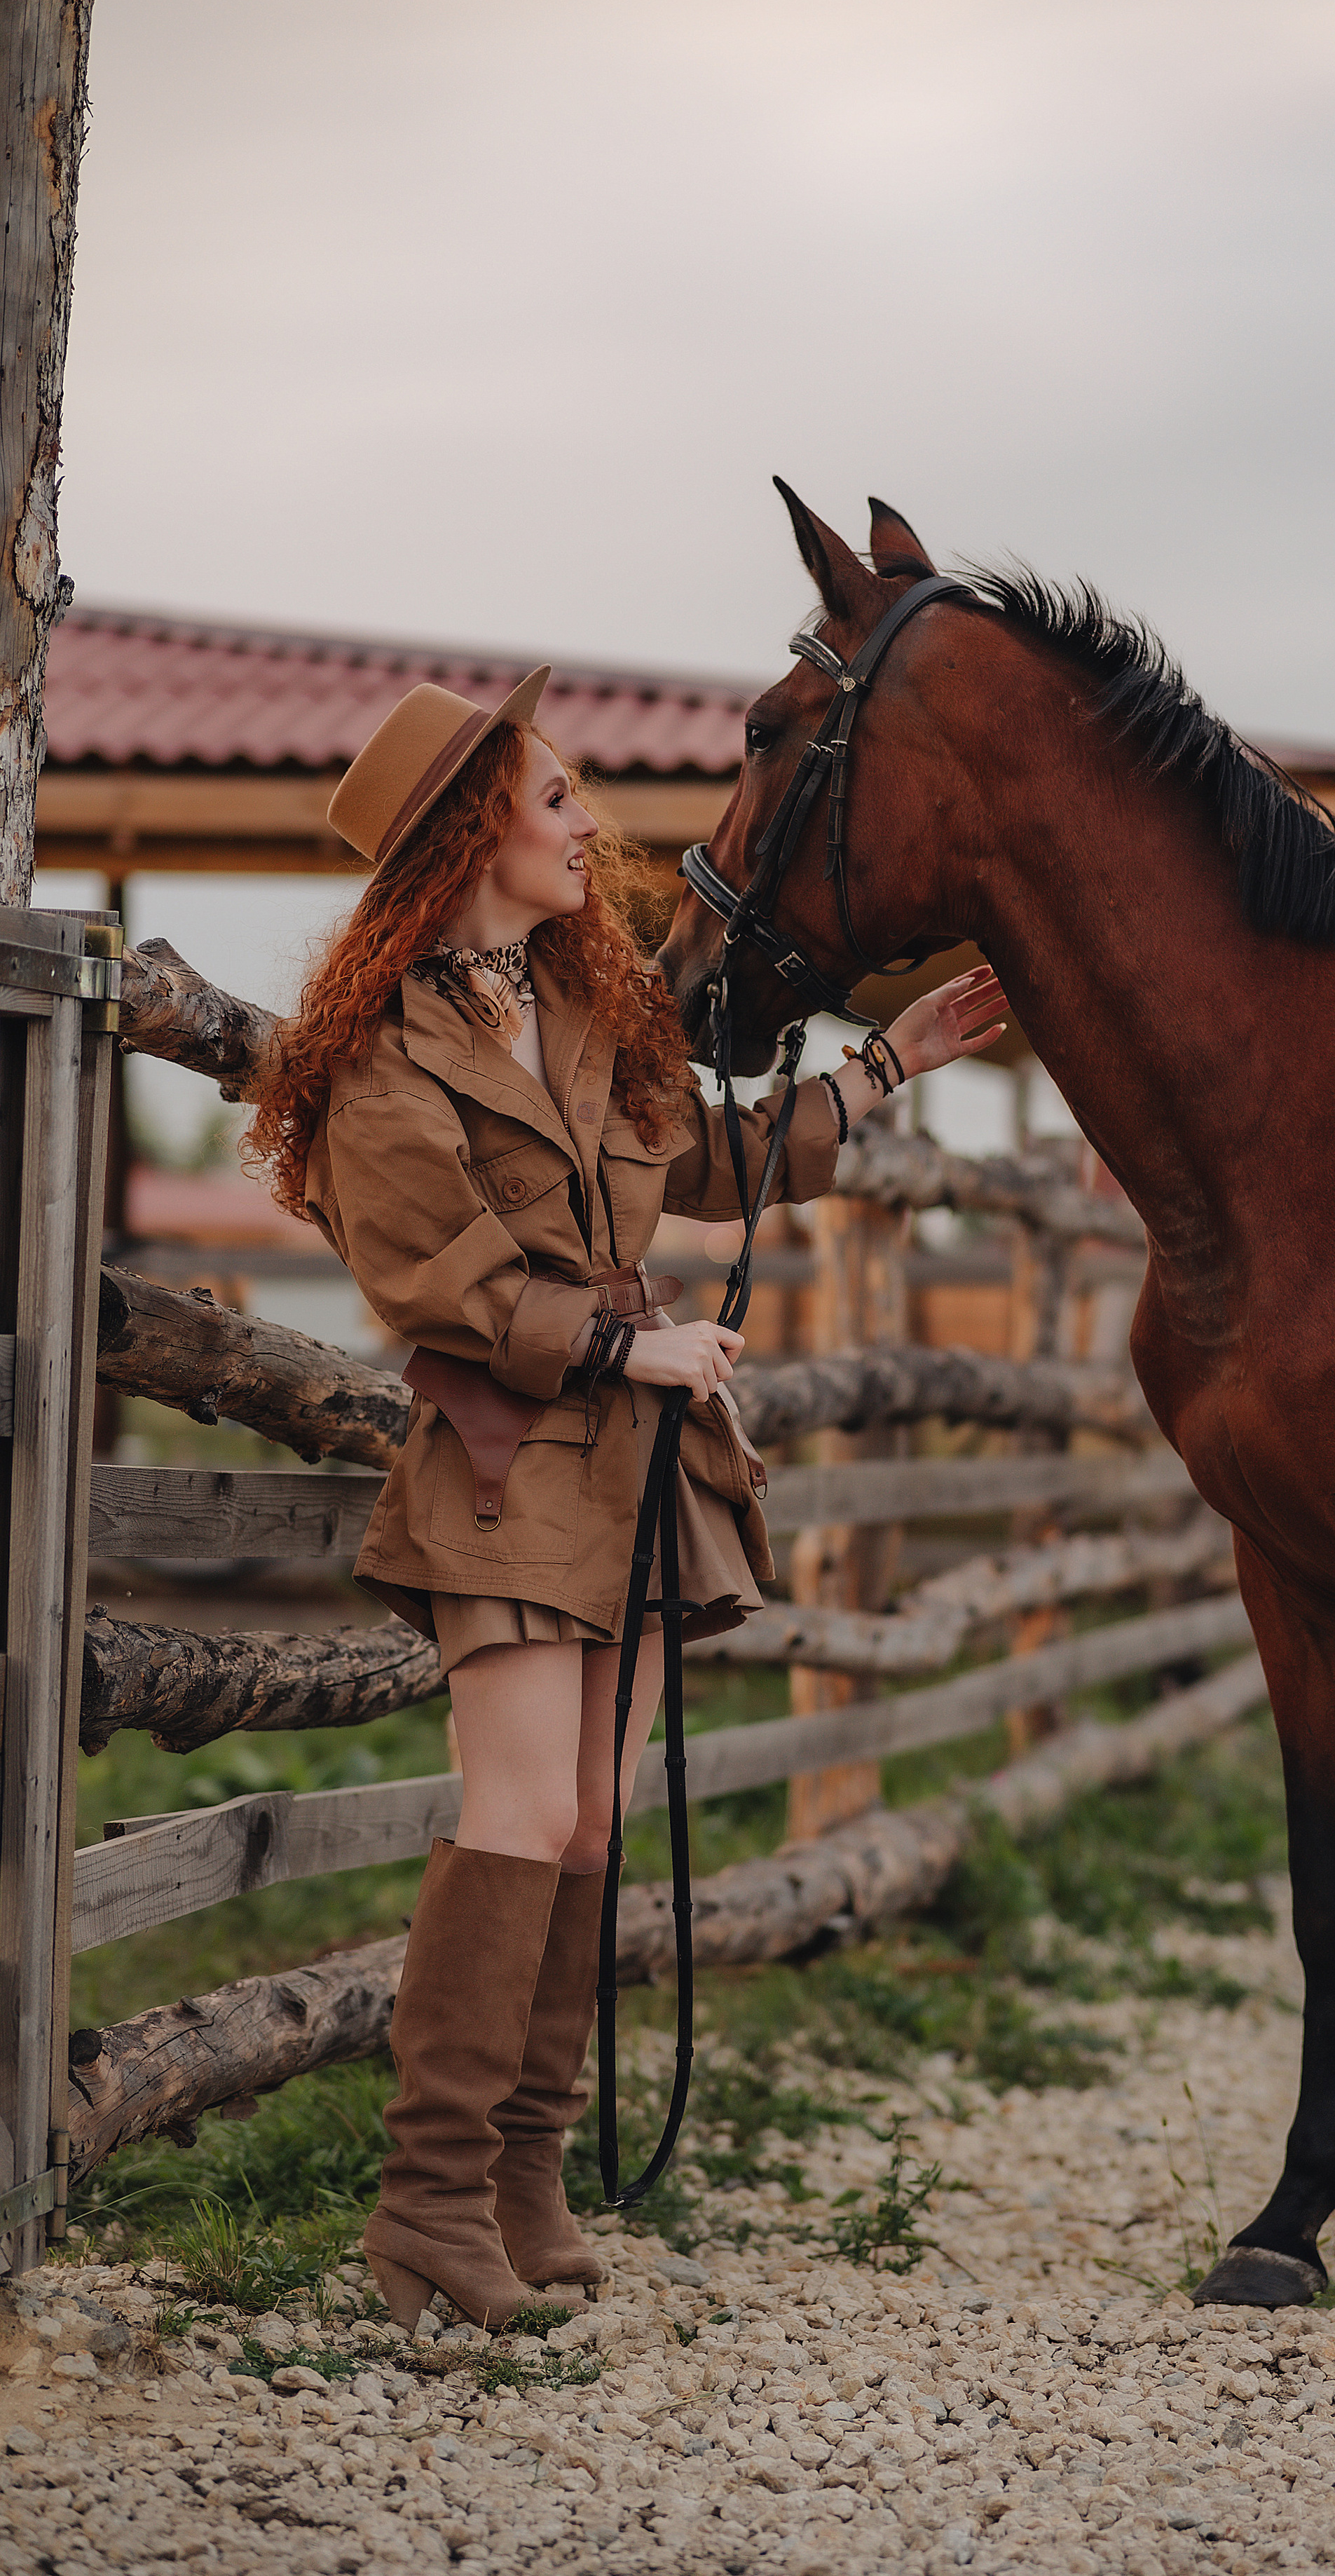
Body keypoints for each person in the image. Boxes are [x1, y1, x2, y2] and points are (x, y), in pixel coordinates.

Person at [246, 666, 1006, 2332]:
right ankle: (426, 2206)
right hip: (512, 1463)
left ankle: (524, 2174)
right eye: (555, 801)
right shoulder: (384, 1058)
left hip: (639, 1468)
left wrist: (890, 1061)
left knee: (587, 1823)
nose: (590, 825)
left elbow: (704, 1166)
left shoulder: (583, 1012)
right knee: (514, 1816)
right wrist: (625, 1345)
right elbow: (431, 1277)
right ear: (472, 837)